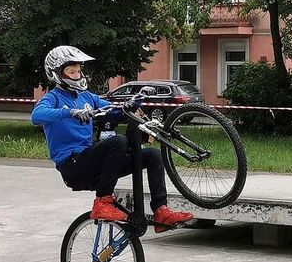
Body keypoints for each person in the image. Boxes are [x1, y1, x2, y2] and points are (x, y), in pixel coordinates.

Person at [31, 45, 194, 231]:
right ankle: (103, 201)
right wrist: (69, 112)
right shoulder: (53, 98)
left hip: (93, 162)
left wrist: (137, 99)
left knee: (152, 155)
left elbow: (115, 110)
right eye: (71, 71)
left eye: (78, 71)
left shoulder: (87, 97)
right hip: (72, 165)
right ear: (56, 74)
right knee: (118, 141)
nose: (77, 75)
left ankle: (160, 210)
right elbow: (36, 115)